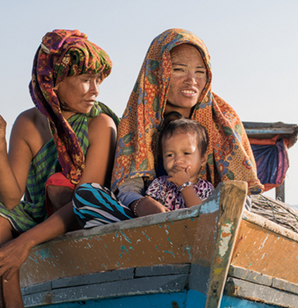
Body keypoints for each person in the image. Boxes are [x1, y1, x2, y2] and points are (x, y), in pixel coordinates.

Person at [0, 29, 118, 308]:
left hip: (83, 212)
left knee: (73, 192)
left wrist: (25, 244)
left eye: (99, 79)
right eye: (87, 79)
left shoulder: (102, 124)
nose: (95, 90)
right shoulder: (29, 123)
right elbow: (11, 197)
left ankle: (17, 276)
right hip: (40, 212)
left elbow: (88, 200)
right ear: (54, 81)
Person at [111, 28, 264, 218]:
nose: (191, 81)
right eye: (179, 70)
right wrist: (139, 203)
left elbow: (242, 192)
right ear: (157, 72)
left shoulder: (225, 120)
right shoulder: (138, 119)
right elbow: (127, 188)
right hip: (150, 221)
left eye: (200, 72)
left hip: (211, 220)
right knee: (90, 195)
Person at [141, 117, 214, 214]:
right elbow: (147, 211)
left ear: (203, 159)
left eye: (186, 153)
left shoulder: (206, 188)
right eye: (170, 155)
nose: (178, 160)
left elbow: (203, 216)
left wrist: (185, 186)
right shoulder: (159, 184)